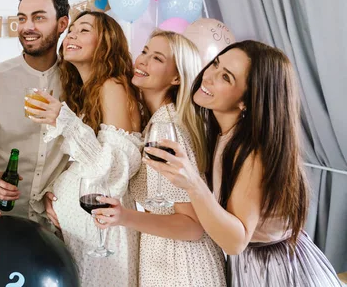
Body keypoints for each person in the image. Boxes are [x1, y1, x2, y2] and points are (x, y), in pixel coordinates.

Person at [145, 41, 342, 286]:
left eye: (226, 77)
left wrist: (193, 183)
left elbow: (235, 242)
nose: (209, 76)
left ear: (246, 101)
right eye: (215, 64)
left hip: (274, 271)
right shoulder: (223, 133)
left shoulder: (251, 151)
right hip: (257, 264)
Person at [93, 30, 226, 286]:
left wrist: (123, 217)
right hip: (163, 256)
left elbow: (191, 225)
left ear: (177, 77)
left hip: (182, 264)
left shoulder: (168, 128)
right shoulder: (157, 120)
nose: (142, 61)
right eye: (144, 52)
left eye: (157, 58)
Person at [26, 11, 142, 286]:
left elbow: (113, 172)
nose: (72, 35)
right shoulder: (86, 91)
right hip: (83, 234)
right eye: (71, 30)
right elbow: (84, 163)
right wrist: (53, 194)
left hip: (103, 236)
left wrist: (64, 121)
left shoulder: (112, 86)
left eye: (84, 30)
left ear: (107, 42)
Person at [0, 0, 70, 225]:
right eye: (22, 18)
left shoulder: (77, 80)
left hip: (57, 224)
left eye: (39, 18)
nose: (28, 27)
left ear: (62, 24)